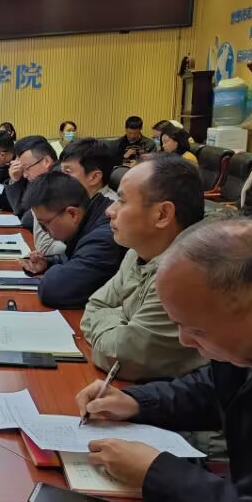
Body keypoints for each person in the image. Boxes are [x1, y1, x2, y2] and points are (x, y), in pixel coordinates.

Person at [74, 219, 252, 502]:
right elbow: (212, 388)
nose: (184, 341)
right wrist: (136, 402)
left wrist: (156, 473)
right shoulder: (240, 352)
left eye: (196, 329)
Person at [81, 154, 207, 381]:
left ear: (162, 215)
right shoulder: (138, 251)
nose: (109, 211)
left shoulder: (186, 273)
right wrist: (121, 324)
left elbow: (123, 359)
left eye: (122, 201)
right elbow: (95, 306)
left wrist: (118, 319)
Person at [19, 171, 124, 309]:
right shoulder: (90, 218)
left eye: (45, 224)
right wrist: (49, 263)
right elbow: (79, 258)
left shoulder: (104, 239)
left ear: (72, 214)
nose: (45, 231)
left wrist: (54, 273)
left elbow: (54, 290)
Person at [38, 138, 117, 256]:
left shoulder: (111, 211)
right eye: (61, 172)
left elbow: (47, 248)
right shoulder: (75, 199)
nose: (60, 178)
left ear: (94, 177)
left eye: (67, 172)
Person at [0, 136, 57, 217]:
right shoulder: (38, 178)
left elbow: (26, 217)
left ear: (46, 161)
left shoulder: (60, 182)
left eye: (27, 168)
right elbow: (19, 210)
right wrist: (15, 180)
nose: (24, 175)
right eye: (22, 170)